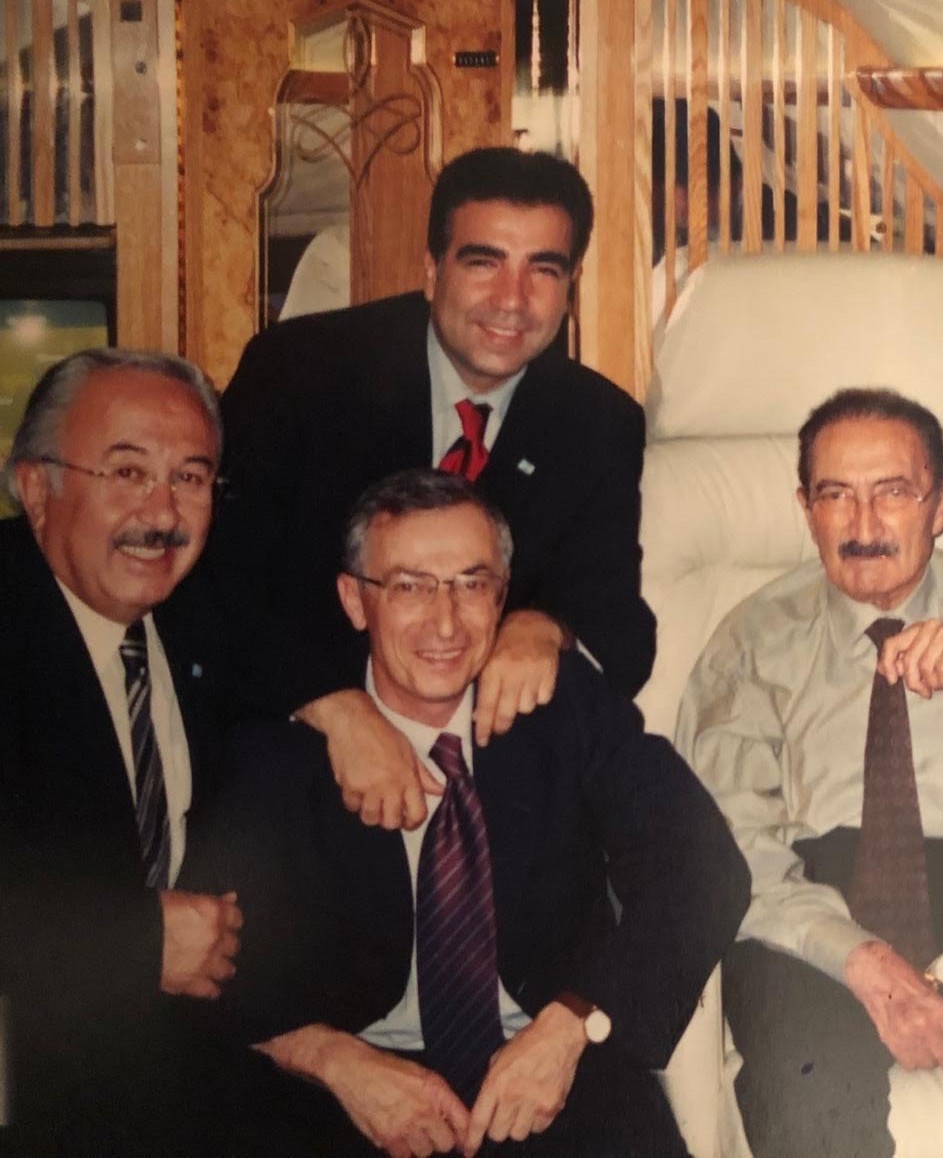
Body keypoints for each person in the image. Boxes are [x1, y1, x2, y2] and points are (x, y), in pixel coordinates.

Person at [190, 469, 748, 1156]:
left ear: (503, 595)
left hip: (550, 1069)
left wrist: (574, 1023)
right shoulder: (285, 743)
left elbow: (701, 864)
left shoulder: (562, 704)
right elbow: (210, 961)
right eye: (410, 587)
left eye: (471, 584)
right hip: (352, 1090)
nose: (446, 622)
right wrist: (333, 1060)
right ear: (355, 600)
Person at [675, 388, 943, 1157]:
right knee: (810, 1103)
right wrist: (859, 956)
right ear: (806, 508)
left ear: (942, 503)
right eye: (836, 495)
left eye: (895, 493)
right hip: (810, 910)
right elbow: (725, 840)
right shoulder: (750, 642)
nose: (864, 525)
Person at [214, 146, 656, 834]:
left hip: (492, 787)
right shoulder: (299, 374)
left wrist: (547, 626)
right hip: (302, 758)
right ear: (431, 270)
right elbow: (217, 586)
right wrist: (336, 708)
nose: (512, 301)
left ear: (571, 287)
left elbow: (624, 630)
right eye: (484, 263)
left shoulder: (598, 422)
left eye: (543, 270)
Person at [0, 349, 244, 1154]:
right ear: (37, 486)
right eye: (128, 472)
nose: (163, 512)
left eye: (191, 477)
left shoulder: (199, 620)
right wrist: (133, 943)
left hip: (176, 1099)